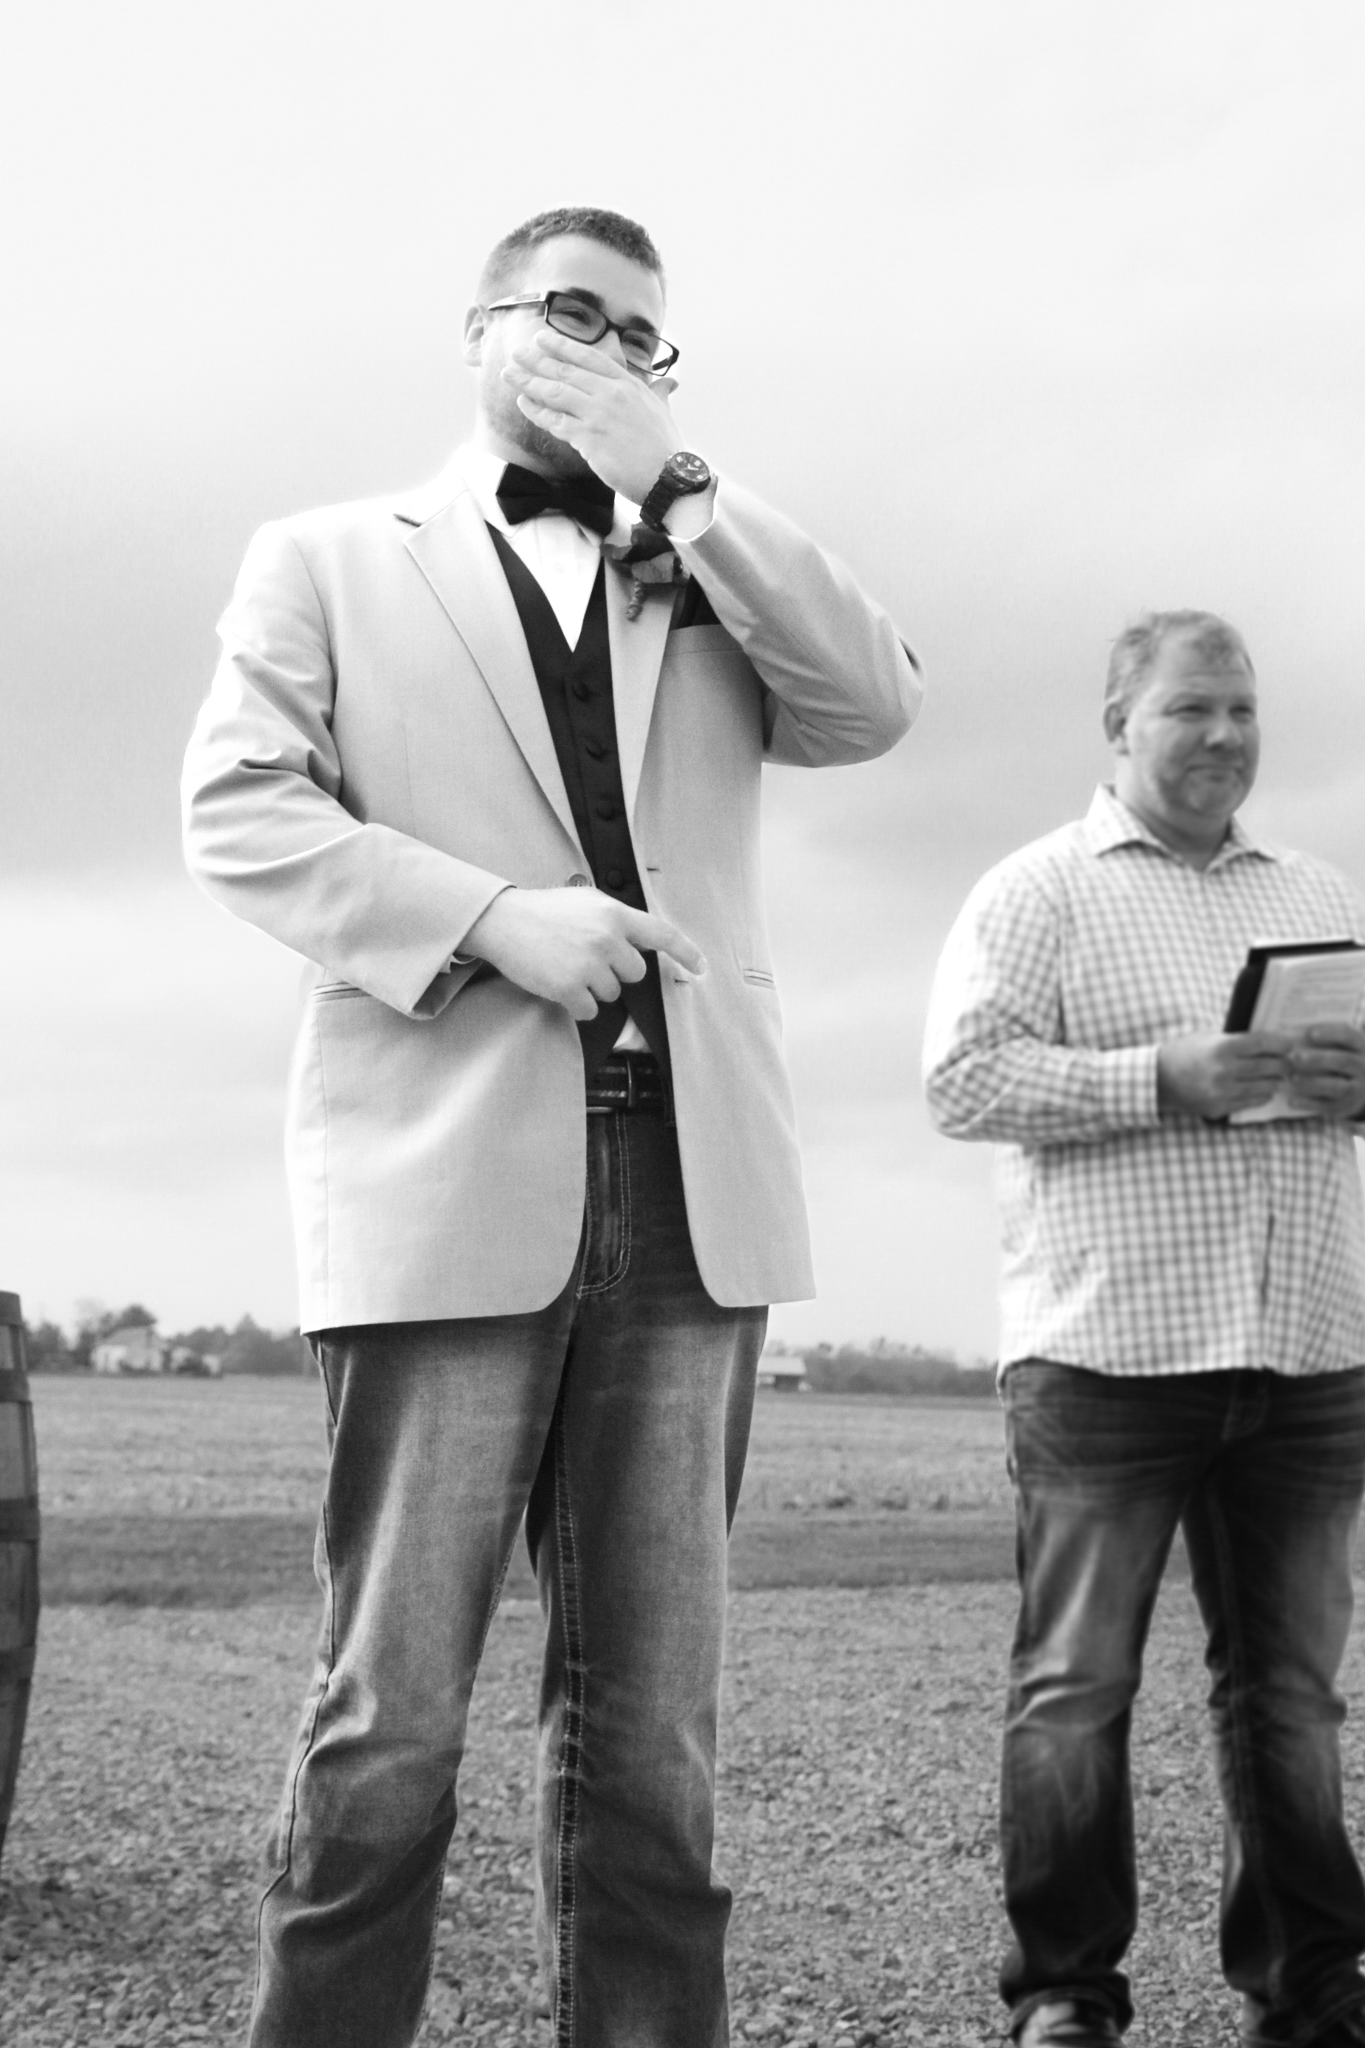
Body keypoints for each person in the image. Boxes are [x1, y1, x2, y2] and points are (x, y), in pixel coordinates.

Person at [181, 205, 920, 2048]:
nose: (603, 348)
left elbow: (877, 701)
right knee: (388, 1723)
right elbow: (240, 811)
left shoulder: (708, 568)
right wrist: (490, 921)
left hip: (691, 1208)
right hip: (440, 1187)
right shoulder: (330, 557)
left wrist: (680, 482)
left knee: (656, 1742)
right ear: (480, 330)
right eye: (568, 314)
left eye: (642, 336)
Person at [922, 610, 1365, 2048]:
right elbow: (962, 1082)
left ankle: (1310, 1985)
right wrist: (1159, 1078)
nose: (1223, 736)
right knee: (1072, 1690)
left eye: (1240, 710)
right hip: (1106, 1357)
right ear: (1116, 725)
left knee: (1291, 1698)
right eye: (1189, 711)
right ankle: (1063, 1993)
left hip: (1304, 1348)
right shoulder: (1034, 892)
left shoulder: (1311, 890)